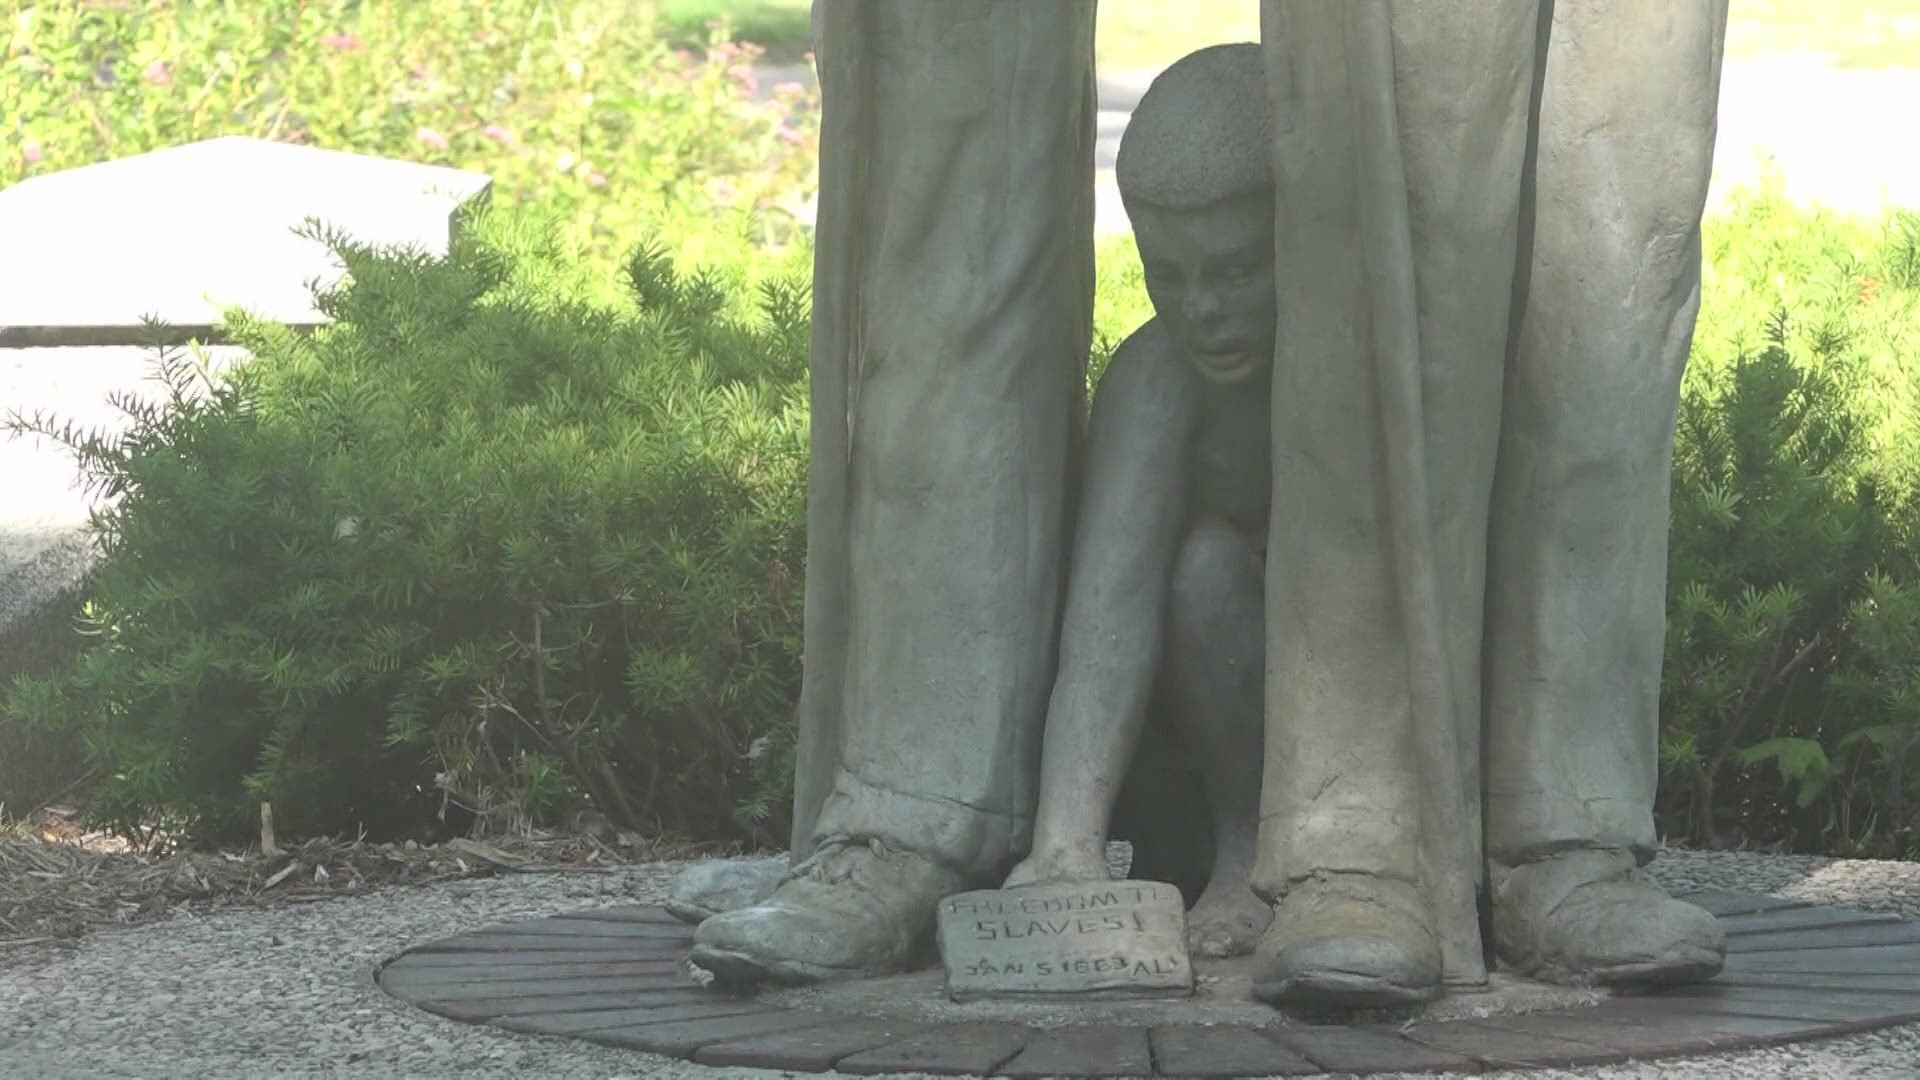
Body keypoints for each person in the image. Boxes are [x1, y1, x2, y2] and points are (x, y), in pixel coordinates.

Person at [1003, 42, 1276, 961]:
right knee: (1198, 575)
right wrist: (1065, 847)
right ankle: (1216, 853)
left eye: (1237, 271)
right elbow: (1106, 614)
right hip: (1198, 732)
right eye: (1170, 275)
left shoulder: (1355, 364)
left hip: (1349, 726)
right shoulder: (1159, 380)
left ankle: (1262, 861)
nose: (1201, 309)